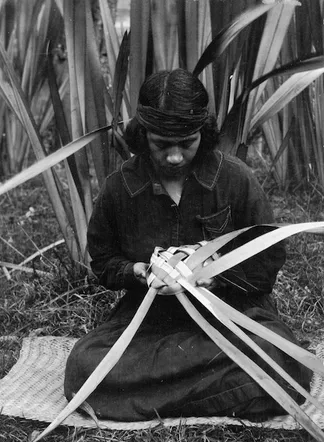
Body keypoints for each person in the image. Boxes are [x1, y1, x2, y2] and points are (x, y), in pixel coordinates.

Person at [64, 69, 310, 422]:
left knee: (277, 354)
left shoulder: (235, 179)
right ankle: (226, 391)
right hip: (152, 322)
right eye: (162, 144)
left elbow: (268, 258)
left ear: (204, 133)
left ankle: (152, 396)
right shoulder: (120, 187)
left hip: (232, 315)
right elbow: (103, 261)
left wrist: (214, 275)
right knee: (83, 366)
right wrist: (142, 272)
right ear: (142, 133)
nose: (176, 157)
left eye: (188, 142)